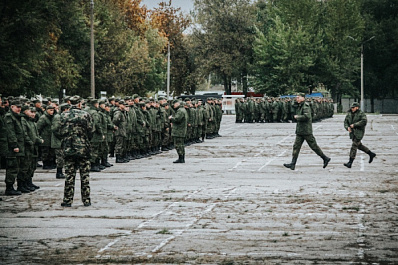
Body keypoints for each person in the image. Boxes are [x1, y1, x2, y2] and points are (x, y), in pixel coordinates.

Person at [57, 96, 94, 207]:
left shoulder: (63, 115)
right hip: (83, 149)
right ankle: (86, 200)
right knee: (85, 176)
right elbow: (90, 130)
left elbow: (58, 131)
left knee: (69, 176)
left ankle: (67, 200)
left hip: (68, 149)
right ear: (79, 104)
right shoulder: (85, 115)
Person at [284, 93, 331, 170]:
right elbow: (293, 105)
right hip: (300, 130)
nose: (297, 99)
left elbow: (307, 116)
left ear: (303, 98)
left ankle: (325, 158)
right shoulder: (300, 105)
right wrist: (296, 101)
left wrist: (297, 117)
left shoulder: (305, 105)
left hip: (306, 130)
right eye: (296, 97)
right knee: (296, 147)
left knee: (314, 146)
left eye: (298, 97)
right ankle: (293, 163)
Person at [343, 102, 376, 168]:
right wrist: (347, 127)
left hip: (359, 132)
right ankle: (371, 154)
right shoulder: (349, 114)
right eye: (352, 107)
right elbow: (345, 122)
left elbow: (364, 121)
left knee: (354, 146)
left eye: (353, 107)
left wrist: (355, 125)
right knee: (359, 146)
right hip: (352, 133)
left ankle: (350, 162)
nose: (352, 109)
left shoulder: (361, 114)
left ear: (357, 107)